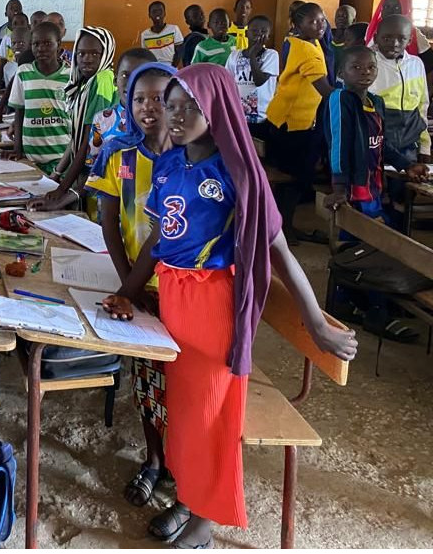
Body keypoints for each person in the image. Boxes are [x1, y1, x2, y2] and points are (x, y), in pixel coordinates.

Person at [102, 64, 357, 549]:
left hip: (211, 306)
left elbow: (279, 250)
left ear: (216, 108)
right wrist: (128, 292)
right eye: (170, 106)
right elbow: (159, 239)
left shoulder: (238, 172)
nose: (174, 116)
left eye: (188, 107)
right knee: (183, 412)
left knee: (210, 416)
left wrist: (317, 325)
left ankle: (206, 519)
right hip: (172, 299)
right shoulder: (172, 163)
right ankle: (191, 497)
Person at [86, 61, 174, 507]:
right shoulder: (118, 152)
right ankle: (154, 459)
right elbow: (107, 221)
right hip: (137, 285)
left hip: (180, 287)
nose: (149, 107)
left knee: (178, 383)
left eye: (160, 98)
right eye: (140, 99)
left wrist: (132, 289)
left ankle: (178, 465)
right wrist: (128, 287)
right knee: (145, 378)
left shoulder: (187, 157)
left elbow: (164, 236)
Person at [324, 45, 428, 341]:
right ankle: (377, 312)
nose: (365, 73)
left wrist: (407, 164)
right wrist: (339, 187)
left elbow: (381, 145)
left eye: (370, 68)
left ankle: (348, 300)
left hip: (373, 188)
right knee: (372, 249)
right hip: (353, 191)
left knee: (365, 245)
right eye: (356, 68)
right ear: (342, 73)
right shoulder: (340, 99)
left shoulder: (376, 102)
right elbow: (338, 145)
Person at [266, 2, 333, 244]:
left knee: (292, 178)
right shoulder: (306, 49)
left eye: (323, 19)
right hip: (292, 123)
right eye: (313, 22)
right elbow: (325, 90)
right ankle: (284, 230)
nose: (320, 25)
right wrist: (351, 96)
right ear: (298, 25)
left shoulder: (298, 40)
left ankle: (283, 226)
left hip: (286, 117)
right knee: (293, 179)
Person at [29, 26, 117, 211]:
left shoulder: (102, 79)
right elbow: (76, 138)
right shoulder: (84, 83)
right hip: (83, 175)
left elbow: (88, 141)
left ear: (107, 53)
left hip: (96, 175)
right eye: (81, 53)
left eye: (95, 54)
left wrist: (62, 191)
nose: (86, 59)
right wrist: (57, 174)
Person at [6, 21, 71, 174]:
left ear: (59, 44)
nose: (41, 48)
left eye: (48, 43)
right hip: (31, 156)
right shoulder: (23, 73)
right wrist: (17, 148)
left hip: (61, 156)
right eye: (36, 44)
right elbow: (19, 112)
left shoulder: (70, 76)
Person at [369, 14, 431, 167]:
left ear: (409, 41)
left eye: (401, 39)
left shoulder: (416, 64)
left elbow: (422, 106)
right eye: (387, 38)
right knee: (374, 187)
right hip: (377, 141)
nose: (394, 43)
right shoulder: (368, 65)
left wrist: (425, 146)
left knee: (403, 188)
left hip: (408, 143)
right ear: (376, 38)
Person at [225, 15, 279, 135]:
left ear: (269, 36)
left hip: (262, 118)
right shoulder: (234, 55)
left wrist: (253, 56)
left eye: (264, 31)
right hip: (237, 116)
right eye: (254, 30)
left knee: (258, 151)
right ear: (246, 32)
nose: (258, 34)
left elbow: (259, 81)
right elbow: (227, 83)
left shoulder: (271, 55)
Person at [365, 0, 432, 64]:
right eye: (386, 7)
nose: (390, 11)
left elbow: (429, 61)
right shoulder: (372, 28)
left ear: (405, 9)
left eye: (396, 7)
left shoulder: (412, 33)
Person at [0, 25, 33, 124]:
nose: (17, 46)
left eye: (21, 43)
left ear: (30, 44)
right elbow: (12, 84)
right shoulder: (11, 64)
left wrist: (0, 107)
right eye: (13, 43)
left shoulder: (31, 62)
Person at [0, 0, 22, 89]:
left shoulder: (28, 32)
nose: (15, 10)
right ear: (5, 13)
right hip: (5, 76)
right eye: (12, 8)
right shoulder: (0, 32)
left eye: (18, 8)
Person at [0, 11, 30, 87]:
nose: (19, 25)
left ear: (28, 25)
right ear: (11, 26)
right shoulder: (7, 38)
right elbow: (2, 59)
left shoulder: (31, 37)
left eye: (22, 23)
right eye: (15, 23)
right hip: (10, 71)